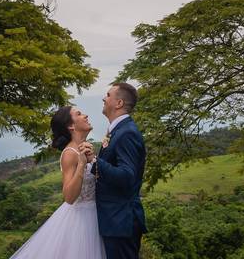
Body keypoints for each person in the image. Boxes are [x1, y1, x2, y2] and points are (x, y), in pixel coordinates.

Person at [8, 105, 106, 258]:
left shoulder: (87, 148)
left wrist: (93, 159)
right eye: (79, 114)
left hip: (99, 214)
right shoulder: (70, 154)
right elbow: (69, 197)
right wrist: (81, 164)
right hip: (82, 221)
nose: (86, 115)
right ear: (71, 126)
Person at [86, 82, 147, 259]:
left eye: (108, 95)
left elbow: (127, 176)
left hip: (121, 220)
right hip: (115, 221)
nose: (104, 98)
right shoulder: (118, 130)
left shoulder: (127, 133)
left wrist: (94, 161)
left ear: (119, 103)